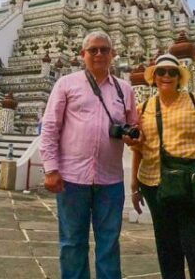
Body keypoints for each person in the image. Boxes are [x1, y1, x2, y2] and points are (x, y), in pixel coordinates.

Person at [40, 30, 141, 279]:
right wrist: (51, 169)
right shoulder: (66, 84)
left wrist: (133, 136)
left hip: (110, 181)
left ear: (113, 55)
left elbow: (135, 126)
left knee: (109, 244)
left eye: (104, 50)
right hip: (72, 178)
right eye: (93, 50)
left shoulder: (124, 89)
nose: (99, 54)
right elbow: (50, 126)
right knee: (72, 243)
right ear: (82, 55)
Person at [130, 53, 195, 279]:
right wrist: (134, 186)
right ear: (154, 77)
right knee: (167, 247)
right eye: (161, 72)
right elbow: (138, 149)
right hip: (154, 183)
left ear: (179, 77)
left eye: (172, 72)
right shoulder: (143, 108)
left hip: (193, 182)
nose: (167, 76)